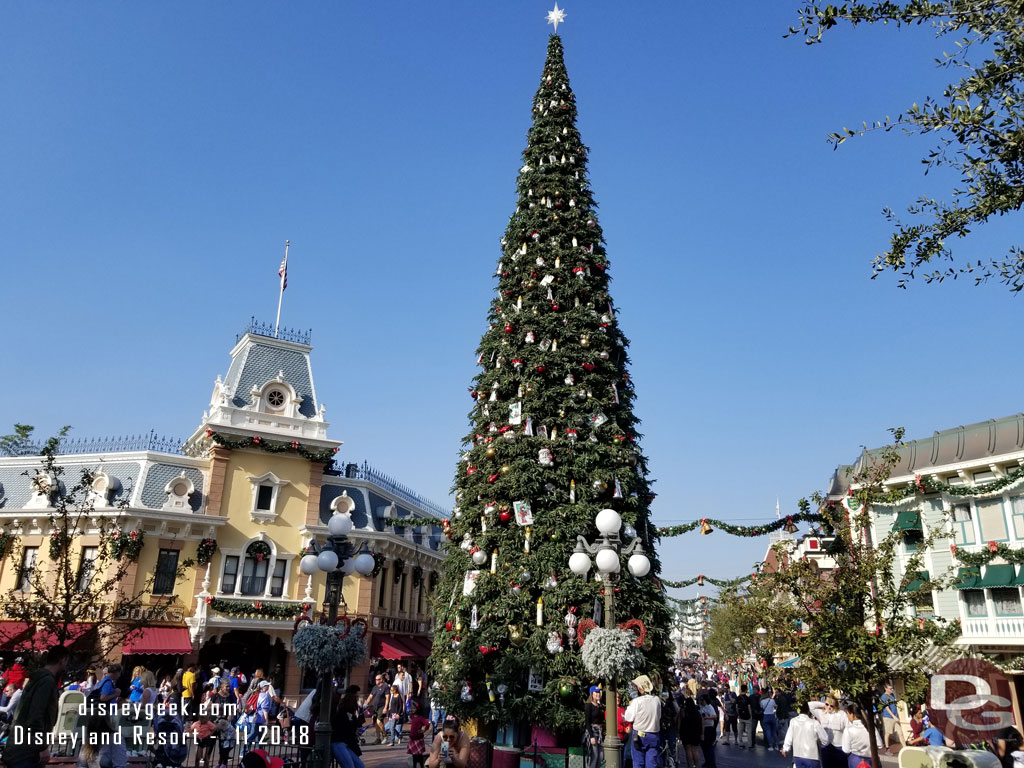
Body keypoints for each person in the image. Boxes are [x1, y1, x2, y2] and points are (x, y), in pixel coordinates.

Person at [4, 645, 70, 768]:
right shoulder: (47, 681)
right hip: (27, 751)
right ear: (63, 659)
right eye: (67, 661)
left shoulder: (37, 678)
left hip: (20, 747)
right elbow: (36, 715)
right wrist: (42, 747)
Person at [623, 675, 662, 768]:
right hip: (654, 735)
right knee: (652, 763)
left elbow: (628, 717)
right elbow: (659, 716)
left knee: (638, 763)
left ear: (640, 689)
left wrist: (630, 705)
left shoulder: (637, 701)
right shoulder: (657, 700)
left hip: (639, 735)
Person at [781, 701, 828, 768]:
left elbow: (789, 737)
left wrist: (785, 749)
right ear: (808, 710)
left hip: (797, 755)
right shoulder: (814, 723)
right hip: (812, 756)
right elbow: (825, 739)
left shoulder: (793, 721)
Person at [330, 687, 365, 768]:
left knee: (360, 766)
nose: (357, 700)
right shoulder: (342, 712)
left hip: (345, 743)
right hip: (338, 743)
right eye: (356, 697)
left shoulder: (351, 714)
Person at [810, 696, 847, 768]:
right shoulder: (821, 713)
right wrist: (823, 704)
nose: (829, 707)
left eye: (832, 706)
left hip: (839, 746)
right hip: (826, 746)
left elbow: (847, 729)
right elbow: (810, 705)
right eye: (827, 705)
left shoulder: (842, 714)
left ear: (836, 706)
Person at [841, 702, 873, 768]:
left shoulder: (848, 730)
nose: (847, 716)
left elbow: (846, 749)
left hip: (855, 760)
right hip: (871, 758)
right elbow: (879, 744)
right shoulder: (870, 727)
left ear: (852, 715)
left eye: (848, 714)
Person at [676, 695, 702, 768]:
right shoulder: (697, 711)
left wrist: (678, 732)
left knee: (688, 749)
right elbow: (701, 721)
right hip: (696, 731)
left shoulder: (683, 711)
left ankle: (690, 765)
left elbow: (679, 722)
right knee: (695, 750)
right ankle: (697, 765)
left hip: (686, 732)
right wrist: (702, 733)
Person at [878, 684, 904, 753]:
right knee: (888, 733)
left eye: (892, 688)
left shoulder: (892, 695)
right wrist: (893, 716)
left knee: (900, 732)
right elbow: (887, 707)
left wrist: (897, 716)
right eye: (890, 689)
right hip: (888, 717)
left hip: (895, 716)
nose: (891, 690)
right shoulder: (884, 697)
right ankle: (887, 748)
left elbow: (895, 705)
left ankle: (905, 747)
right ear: (885, 689)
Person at [584, 686, 604, 768]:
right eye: (596, 692)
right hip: (593, 731)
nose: (598, 694)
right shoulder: (589, 705)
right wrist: (591, 736)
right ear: (592, 694)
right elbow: (587, 722)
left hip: (600, 732)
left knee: (601, 756)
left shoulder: (599, 706)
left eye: (599, 692)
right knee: (594, 755)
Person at [406, 701, 431, 768]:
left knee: (419, 756)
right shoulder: (413, 717)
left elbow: (427, 724)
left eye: (414, 709)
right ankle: (415, 766)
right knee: (414, 756)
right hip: (413, 738)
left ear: (418, 710)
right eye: (412, 708)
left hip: (418, 739)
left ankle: (421, 766)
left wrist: (423, 730)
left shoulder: (420, 718)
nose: (412, 710)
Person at [367, 674, 390, 745]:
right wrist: (366, 703)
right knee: (376, 724)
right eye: (376, 679)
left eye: (378, 679)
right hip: (375, 707)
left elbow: (387, 698)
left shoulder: (385, 687)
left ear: (381, 680)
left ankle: (385, 735)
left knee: (379, 721)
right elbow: (370, 696)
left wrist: (386, 707)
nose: (376, 681)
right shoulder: (375, 687)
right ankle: (378, 738)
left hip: (382, 706)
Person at [698, 694, 718, 768]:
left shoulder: (709, 707)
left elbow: (715, 717)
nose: (700, 701)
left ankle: (712, 763)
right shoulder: (700, 707)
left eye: (701, 700)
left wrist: (706, 717)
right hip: (702, 728)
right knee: (704, 747)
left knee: (709, 747)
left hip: (709, 728)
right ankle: (707, 761)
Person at [735, 684, 753, 749]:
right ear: (746, 690)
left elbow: (736, 707)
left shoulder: (737, 698)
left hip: (740, 716)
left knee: (740, 730)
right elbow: (749, 707)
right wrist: (751, 715)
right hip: (747, 716)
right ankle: (750, 744)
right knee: (749, 731)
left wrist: (738, 714)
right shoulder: (748, 698)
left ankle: (740, 743)